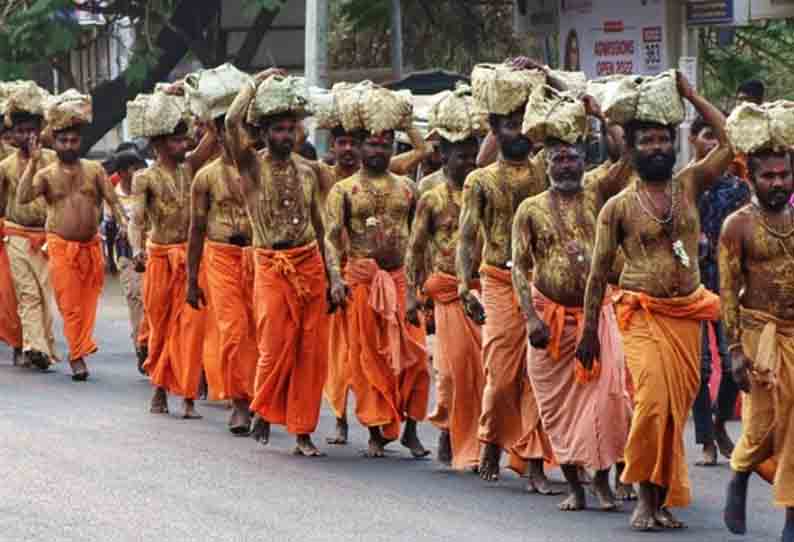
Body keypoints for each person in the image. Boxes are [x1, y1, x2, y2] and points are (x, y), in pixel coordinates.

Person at [576, 72, 729, 531]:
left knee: (674, 413)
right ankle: (643, 496)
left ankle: (660, 500)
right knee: (652, 405)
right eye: (649, 140)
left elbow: (730, 140)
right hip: (640, 314)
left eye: (665, 138)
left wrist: (691, 95)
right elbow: (598, 273)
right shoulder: (617, 207)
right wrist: (588, 333)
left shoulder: (689, 184)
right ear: (634, 147)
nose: (659, 147)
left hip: (687, 315)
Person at [512, 109, 634, 509]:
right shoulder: (529, 208)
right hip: (548, 320)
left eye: (572, 157)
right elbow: (520, 267)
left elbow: (629, 155)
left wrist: (598, 113)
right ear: (545, 165)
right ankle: (576, 488)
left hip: (597, 317)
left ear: (585, 159)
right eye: (557, 158)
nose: (565, 164)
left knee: (609, 397)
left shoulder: (599, 191)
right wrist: (530, 317)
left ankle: (601, 479)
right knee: (556, 408)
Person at [456, 65, 555, 491]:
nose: (519, 131)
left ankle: (533, 460)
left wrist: (546, 75)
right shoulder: (479, 179)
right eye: (510, 123)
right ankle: (491, 441)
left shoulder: (545, 171)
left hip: (539, 281)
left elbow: (569, 114)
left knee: (539, 373)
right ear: (496, 128)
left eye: (523, 122)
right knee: (500, 375)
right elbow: (465, 238)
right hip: (496, 279)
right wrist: (463, 285)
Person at [226, 70, 331, 456]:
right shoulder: (251, 166)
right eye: (279, 130)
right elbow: (230, 122)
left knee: (311, 351)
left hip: (310, 264)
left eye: (292, 129)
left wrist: (335, 277)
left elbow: (324, 228)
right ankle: (263, 408)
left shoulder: (311, 172)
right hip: (270, 264)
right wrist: (255, 83)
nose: (286, 136)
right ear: (265, 132)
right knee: (274, 343)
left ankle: (303, 432)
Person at [325, 94, 431, 460]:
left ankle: (412, 429)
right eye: (372, 142)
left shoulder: (406, 186)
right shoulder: (343, 189)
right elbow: (330, 236)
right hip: (361, 280)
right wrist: (335, 281)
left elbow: (420, 240)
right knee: (368, 360)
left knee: (416, 358)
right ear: (359, 144)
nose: (379, 149)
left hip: (401, 280)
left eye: (385, 144)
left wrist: (421, 285)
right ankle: (375, 429)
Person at [17, 96, 127, 381]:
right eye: (63, 141)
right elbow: (23, 197)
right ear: (55, 142)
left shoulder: (94, 170)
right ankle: (77, 355)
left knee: (88, 302)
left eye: (73, 141)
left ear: (80, 142)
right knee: (69, 304)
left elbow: (113, 201)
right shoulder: (46, 174)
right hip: (60, 246)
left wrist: (125, 224)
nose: (68, 146)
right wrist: (31, 162)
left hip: (90, 247)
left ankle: (80, 347)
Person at [405, 88, 484, 469]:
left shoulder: (485, 190)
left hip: (483, 293)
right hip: (445, 292)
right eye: (461, 156)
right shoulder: (431, 196)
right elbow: (415, 247)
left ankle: (478, 440)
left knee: (485, 372)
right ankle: (449, 429)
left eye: (473, 155)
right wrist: (412, 294)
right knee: (452, 372)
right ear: (444, 157)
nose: (468, 162)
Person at [130, 91, 218, 417]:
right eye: (177, 141)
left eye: (185, 140)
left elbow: (214, 132)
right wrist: (138, 250)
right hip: (159, 258)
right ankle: (159, 389)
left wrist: (191, 92)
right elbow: (136, 220)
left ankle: (189, 397)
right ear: (159, 144)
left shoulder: (192, 166)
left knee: (192, 327)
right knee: (161, 326)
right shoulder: (145, 178)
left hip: (192, 259)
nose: (184, 146)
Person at [721, 148, 794, 541]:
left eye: (784, 174)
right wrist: (734, 351)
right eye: (769, 176)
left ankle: (792, 516)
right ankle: (739, 475)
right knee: (763, 425)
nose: (778, 183)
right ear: (751, 177)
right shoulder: (737, 225)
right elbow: (728, 291)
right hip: (758, 336)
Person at [187, 112, 258, 436]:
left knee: (262, 332)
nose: (240, 135)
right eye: (232, 128)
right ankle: (240, 404)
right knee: (233, 330)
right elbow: (197, 228)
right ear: (217, 131)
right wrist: (191, 279)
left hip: (260, 257)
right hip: (221, 257)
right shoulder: (206, 177)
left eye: (245, 128)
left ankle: (260, 397)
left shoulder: (263, 168)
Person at [689, 115, 750, 466]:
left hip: (728, 285)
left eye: (717, 137)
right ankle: (707, 440)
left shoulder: (738, 189)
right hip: (692, 284)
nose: (711, 143)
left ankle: (719, 422)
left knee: (730, 364)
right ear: (694, 140)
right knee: (700, 366)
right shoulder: (684, 185)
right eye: (706, 136)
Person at [0, 106, 58, 370]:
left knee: (46, 294)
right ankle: (32, 346)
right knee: (26, 293)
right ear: (13, 134)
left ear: (40, 132)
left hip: (47, 235)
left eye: (32, 130)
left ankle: (40, 346)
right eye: (21, 131)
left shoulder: (53, 160)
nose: (27, 136)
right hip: (16, 234)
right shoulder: (5, 166)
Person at [108, 150, 148, 372]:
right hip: (126, 256)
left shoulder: (147, 189)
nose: (138, 173)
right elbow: (109, 227)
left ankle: (151, 345)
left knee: (151, 301)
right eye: (134, 169)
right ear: (122, 173)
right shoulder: (114, 197)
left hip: (152, 252)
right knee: (135, 298)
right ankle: (141, 346)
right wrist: (112, 262)